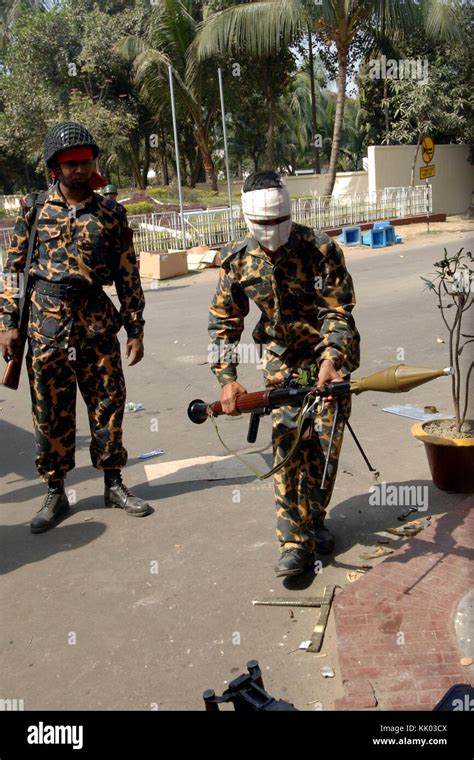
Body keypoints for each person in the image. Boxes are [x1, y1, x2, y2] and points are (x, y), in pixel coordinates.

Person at [208, 171, 360, 577]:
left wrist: (330, 358)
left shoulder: (321, 250)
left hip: (329, 358)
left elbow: (337, 312)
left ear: (289, 213)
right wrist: (227, 378)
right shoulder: (236, 259)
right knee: (288, 447)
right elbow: (223, 324)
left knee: (324, 450)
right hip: (283, 362)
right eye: (262, 224)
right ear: (246, 219)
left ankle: (314, 519)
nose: (271, 232)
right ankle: (294, 543)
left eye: (278, 222)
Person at [0, 122, 150, 533]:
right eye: (71, 164)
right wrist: (7, 323)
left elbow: (128, 275)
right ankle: (55, 492)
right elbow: (12, 271)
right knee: (50, 411)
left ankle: (114, 483)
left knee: (108, 403)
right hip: (46, 324)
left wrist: (135, 328)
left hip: (96, 323)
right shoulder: (33, 209)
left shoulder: (111, 213)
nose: (81, 170)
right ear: (55, 167)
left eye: (86, 162)